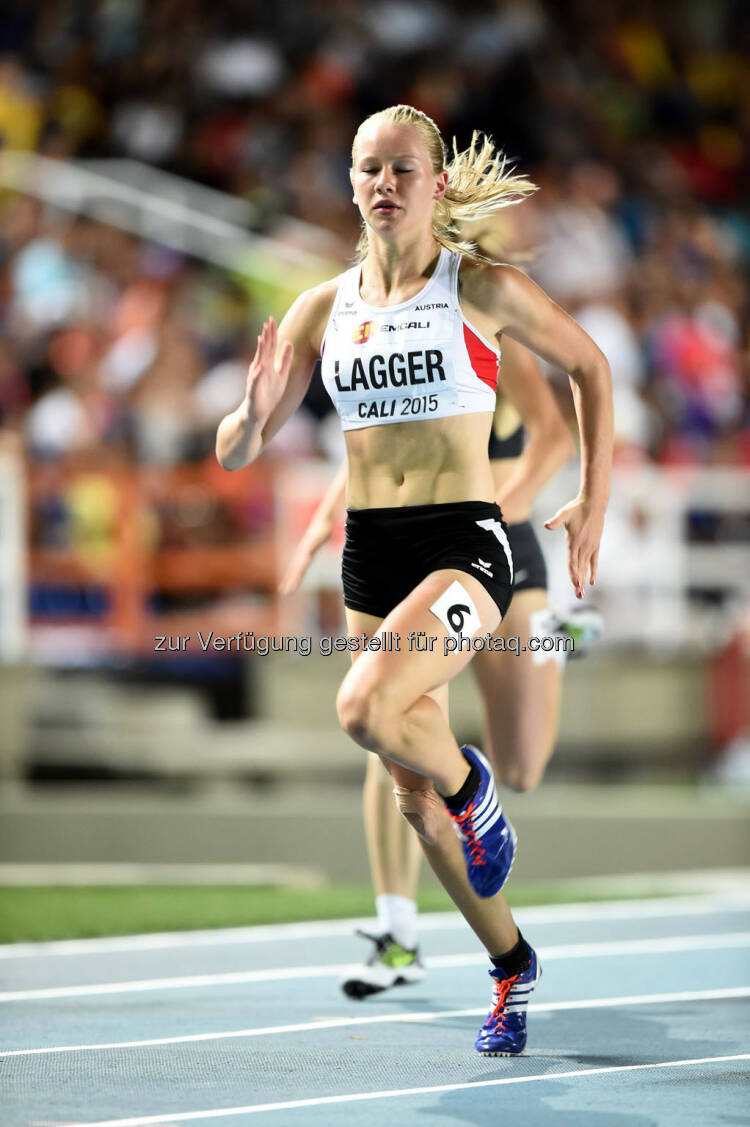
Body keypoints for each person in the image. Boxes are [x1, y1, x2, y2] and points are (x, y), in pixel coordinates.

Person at [216, 104, 613, 1055]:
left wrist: (593, 503)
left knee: (364, 709)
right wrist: (252, 411)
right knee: (407, 794)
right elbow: (235, 452)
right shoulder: (324, 305)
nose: (383, 185)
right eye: (367, 170)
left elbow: (589, 369)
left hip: (464, 544)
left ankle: (477, 785)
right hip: (372, 551)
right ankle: (511, 965)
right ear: (350, 185)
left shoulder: (478, 286)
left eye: (401, 169)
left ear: (437, 184)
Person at [280, 339, 604, 999]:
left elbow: (552, 439)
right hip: (410, 551)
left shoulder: (488, 323)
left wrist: (491, 513)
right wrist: (323, 518)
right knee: (384, 724)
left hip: (494, 537)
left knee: (521, 767)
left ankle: (556, 638)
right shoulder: (396, 331)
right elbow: (382, 444)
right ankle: (398, 930)